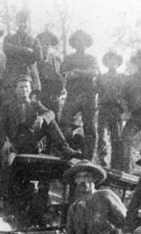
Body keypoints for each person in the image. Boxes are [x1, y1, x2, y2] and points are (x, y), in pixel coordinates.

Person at [0, 74, 80, 209]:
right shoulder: (7, 105)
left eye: (26, 87)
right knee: (7, 160)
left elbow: (51, 113)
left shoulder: (35, 104)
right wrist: (5, 141)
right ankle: (1, 196)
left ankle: (64, 148)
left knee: (49, 120)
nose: (24, 90)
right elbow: (0, 126)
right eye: (21, 87)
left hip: (31, 142)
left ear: (30, 89)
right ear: (16, 90)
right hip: (15, 142)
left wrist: (42, 118)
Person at [60, 30, 99, 160]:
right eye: (77, 40)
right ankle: (68, 153)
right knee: (65, 123)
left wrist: (76, 71)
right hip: (73, 94)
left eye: (83, 41)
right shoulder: (69, 58)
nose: (80, 43)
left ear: (87, 43)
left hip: (89, 95)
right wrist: (83, 73)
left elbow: (94, 72)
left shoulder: (91, 58)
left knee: (89, 127)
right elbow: (65, 74)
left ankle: (88, 158)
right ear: (74, 43)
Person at [96, 50, 127, 170]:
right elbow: (98, 92)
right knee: (102, 136)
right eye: (109, 60)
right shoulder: (101, 78)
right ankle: (102, 163)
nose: (112, 63)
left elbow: (127, 94)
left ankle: (116, 166)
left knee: (117, 138)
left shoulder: (123, 78)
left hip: (117, 109)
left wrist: (125, 109)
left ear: (118, 62)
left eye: (114, 60)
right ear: (106, 63)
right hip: (103, 109)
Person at [2, 9, 42, 99]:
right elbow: (7, 49)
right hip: (12, 76)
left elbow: (39, 56)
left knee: (29, 102)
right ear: (17, 23)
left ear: (28, 23)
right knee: (11, 102)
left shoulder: (34, 40)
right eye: (20, 22)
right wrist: (26, 50)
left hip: (28, 74)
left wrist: (17, 51)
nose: (22, 25)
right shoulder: (9, 38)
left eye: (25, 22)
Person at [35, 30, 64, 116]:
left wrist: (58, 93)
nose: (46, 46)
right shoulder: (35, 60)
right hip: (40, 97)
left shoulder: (57, 60)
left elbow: (62, 78)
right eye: (44, 43)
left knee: (54, 121)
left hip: (53, 97)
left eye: (48, 43)